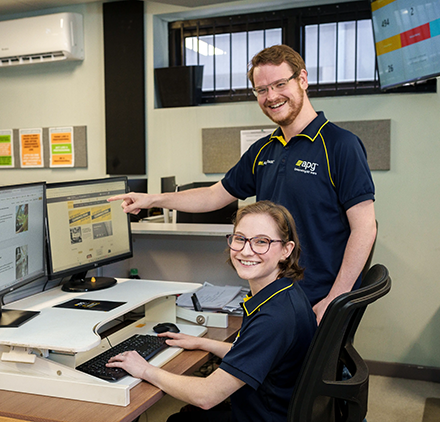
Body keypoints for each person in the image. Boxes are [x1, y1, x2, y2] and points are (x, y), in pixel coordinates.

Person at [108, 44, 376, 323]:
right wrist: (153, 200)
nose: (271, 96)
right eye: (262, 90)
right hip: (274, 295)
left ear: (303, 80)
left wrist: (334, 300)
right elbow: (213, 196)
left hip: (316, 300)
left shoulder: (340, 145)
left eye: (280, 84)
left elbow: (365, 227)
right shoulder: (263, 150)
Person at [107, 201, 317, 422]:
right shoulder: (285, 293)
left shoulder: (274, 318)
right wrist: (203, 343)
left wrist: (145, 369)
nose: (246, 251)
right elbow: (254, 355)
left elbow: (206, 395)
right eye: (240, 238)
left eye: (261, 242)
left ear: (286, 250)